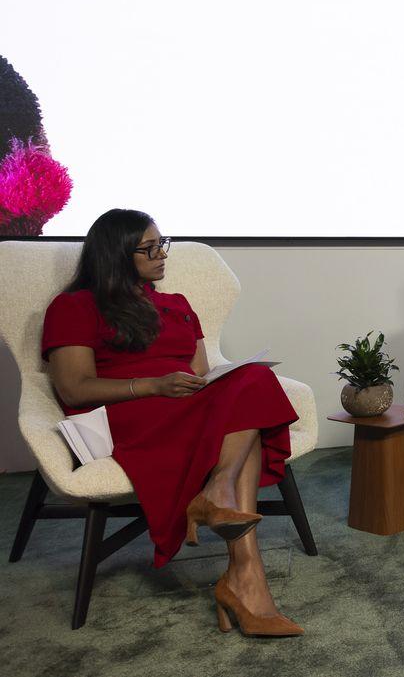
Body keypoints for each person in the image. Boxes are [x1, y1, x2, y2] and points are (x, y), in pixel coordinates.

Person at [42, 209, 303, 636]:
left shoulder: (177, 305)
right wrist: (153, 385)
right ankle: (245, 579)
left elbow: (199, 372)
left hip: (183, 406)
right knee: (250, 409)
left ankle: (226, 514)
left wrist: (201, 385)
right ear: (116, 255)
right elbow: (73, 388)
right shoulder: (74, 307)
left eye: (162, 244)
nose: (162, 255)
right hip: (131, 412)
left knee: (253, 380)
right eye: (149, 248)